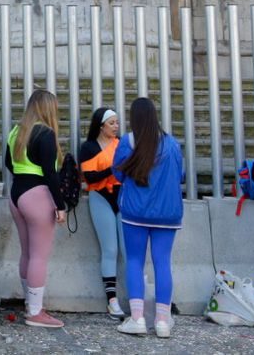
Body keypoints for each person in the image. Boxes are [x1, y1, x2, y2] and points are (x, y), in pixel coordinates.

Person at [112, 97, 184, 338]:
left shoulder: (128, 141)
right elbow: (180, 175)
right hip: (167, 214)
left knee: (134, 261)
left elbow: (118, 174)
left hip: (135, 212)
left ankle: (137, 318)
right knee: (163, 262)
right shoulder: (172, 144)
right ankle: (163, 321)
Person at [4, 88, 65, 329]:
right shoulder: (46, 133)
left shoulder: (16, 131)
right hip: (37, 195)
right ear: (48, 109)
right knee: (39, 255)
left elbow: (9, 163)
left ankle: (31, 304)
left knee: (27, 253)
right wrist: (60, 206)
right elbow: (51, 173)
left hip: (16, 194)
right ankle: (35, 312)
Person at [79, 105, 123, 317]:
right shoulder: (88, 147)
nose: (116, 126)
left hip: (122, 197)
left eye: (117, 122)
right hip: (100, 197)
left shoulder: (121, 144)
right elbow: (90, 177)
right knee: (110, 249)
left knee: (128, 249)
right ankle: (112, 300)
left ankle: (136, 298)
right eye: (112, 123)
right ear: (101, 125)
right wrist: (113, 169)